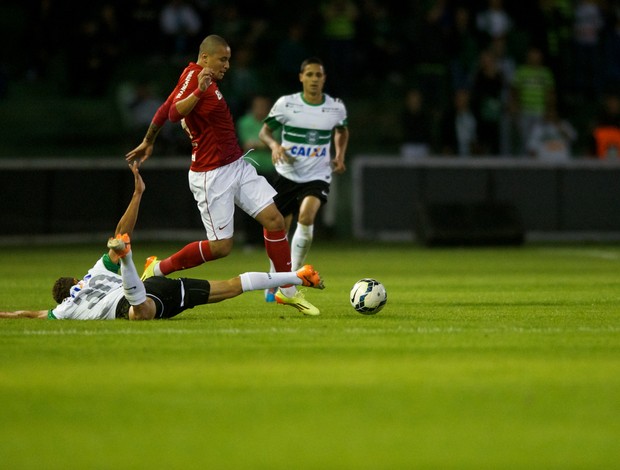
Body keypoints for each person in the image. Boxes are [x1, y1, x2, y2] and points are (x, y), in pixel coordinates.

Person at [125, 35, 321, 315]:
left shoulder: (197, 77)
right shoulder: (195, 79)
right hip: (211, 174)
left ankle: (287, 291)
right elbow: (171, 113)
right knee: (221, 247)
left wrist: (149, 140)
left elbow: (164, 107)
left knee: (275, 220)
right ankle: (158, 267)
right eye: (223, 59)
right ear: (205, 58)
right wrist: (196, 93)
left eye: (228, 59)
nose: (227, 64)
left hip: (236, 165)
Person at [0, 163, 325, 320]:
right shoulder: (95, 272)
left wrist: (5, 315)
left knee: (137, 312)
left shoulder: (66, 310)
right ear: (75, 280)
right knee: (229, 286)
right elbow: (119, 230)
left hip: (140, 302)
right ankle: (297, 277)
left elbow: (28, 315)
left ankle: (129, 262)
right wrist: (138, 194)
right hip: (162, 288)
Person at [258, 57, 348, 301]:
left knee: (307, 216)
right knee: (278, 228)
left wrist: (339, 155)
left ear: (324, 79)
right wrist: (275, 145)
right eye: (309, 75)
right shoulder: (287, 104)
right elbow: (264, 132)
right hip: (288, 174)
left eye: (318, 75)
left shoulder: (335, 107)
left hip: (317, 175)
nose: (314, 80)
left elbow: (342, 130)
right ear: (301, 77)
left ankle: (289, 278)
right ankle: (273, 277)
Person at [236, 94, 277, 248]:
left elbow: (275, 143)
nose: (261, 108)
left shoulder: (273, 122)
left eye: (264, 105)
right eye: (258, 105)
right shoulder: (244, 122)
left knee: (272, 208)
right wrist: (266, 143)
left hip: (270, 170)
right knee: (250, 208)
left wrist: (259, 143)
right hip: (250, 172)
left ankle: (269, 241)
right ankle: (251, 241)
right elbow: (246, 143)